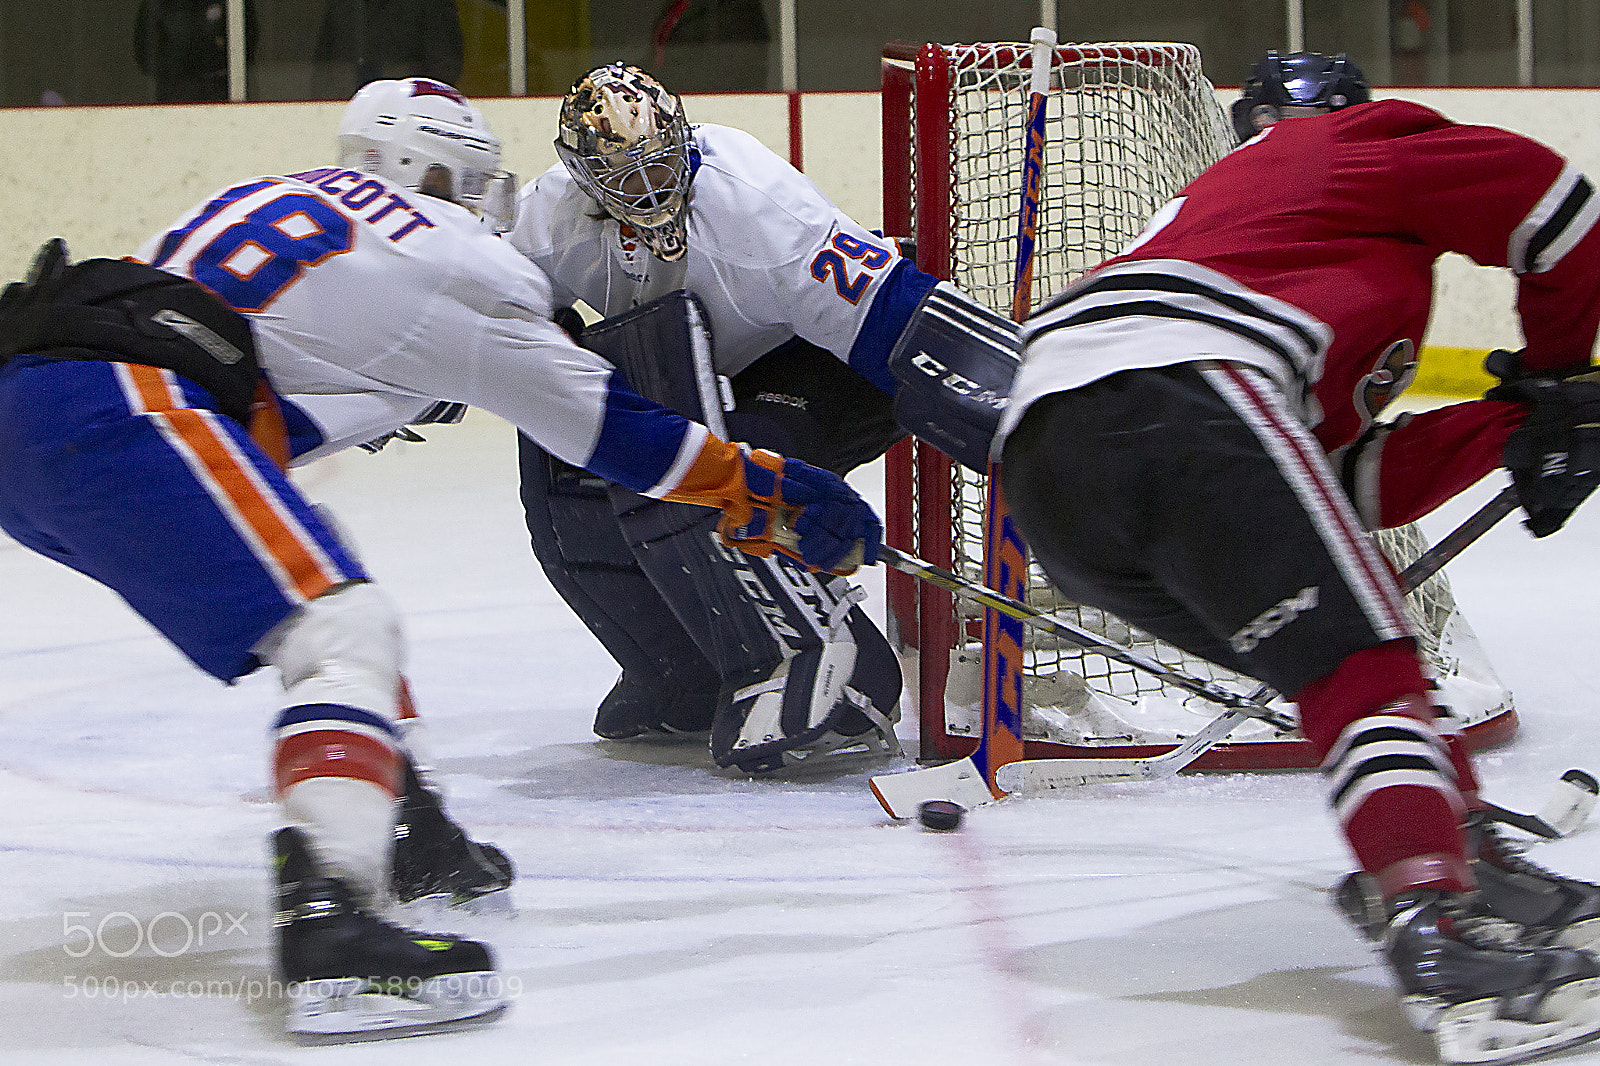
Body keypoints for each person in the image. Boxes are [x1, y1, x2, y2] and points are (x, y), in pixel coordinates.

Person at [0, 76, 879, 1041]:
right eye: (474, 184)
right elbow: (615, 436)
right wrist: (768, 489)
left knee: (325, 604)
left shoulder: (269, 196)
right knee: (342, 627)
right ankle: (331, 919)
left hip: (37, 413)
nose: (485, 207)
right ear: (436, 174)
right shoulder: (455, 259)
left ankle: (405, 827)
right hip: (120, 410)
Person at [996, 50, 1600, 1063]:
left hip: (1053, 469)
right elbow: (1560, 207)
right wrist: (1560, 380)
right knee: (1365, 666)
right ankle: (1432, 923)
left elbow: (1337, 485)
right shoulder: (1350, 143)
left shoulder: (1256, 232)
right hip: (1180, 393)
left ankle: (1452, 848)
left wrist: (1509, 429)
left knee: (1346, 665)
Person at [505, 62, 1016, 774]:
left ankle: (838, 667)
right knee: (575, 475)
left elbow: (888, 314)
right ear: (582, 177)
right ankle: (680, 673)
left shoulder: (754, 198)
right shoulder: (548, 220)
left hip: (826, 364)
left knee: (749, 457)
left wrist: (1017, 405)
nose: (649, 189)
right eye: (624, 178)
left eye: (660, 165)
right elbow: (493, 319)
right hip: (716, 378)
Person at [313, 0, 464, 98]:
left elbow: (445, 69)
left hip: (410, 114)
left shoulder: (432, 5)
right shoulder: (341, 6)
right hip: (347, 109)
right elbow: (323, 70)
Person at [134, 0, 258, 102]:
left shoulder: (231, 4)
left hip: (220, 90)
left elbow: (247, 44)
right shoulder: (159, 5)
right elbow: (145, 51)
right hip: (173, 94)